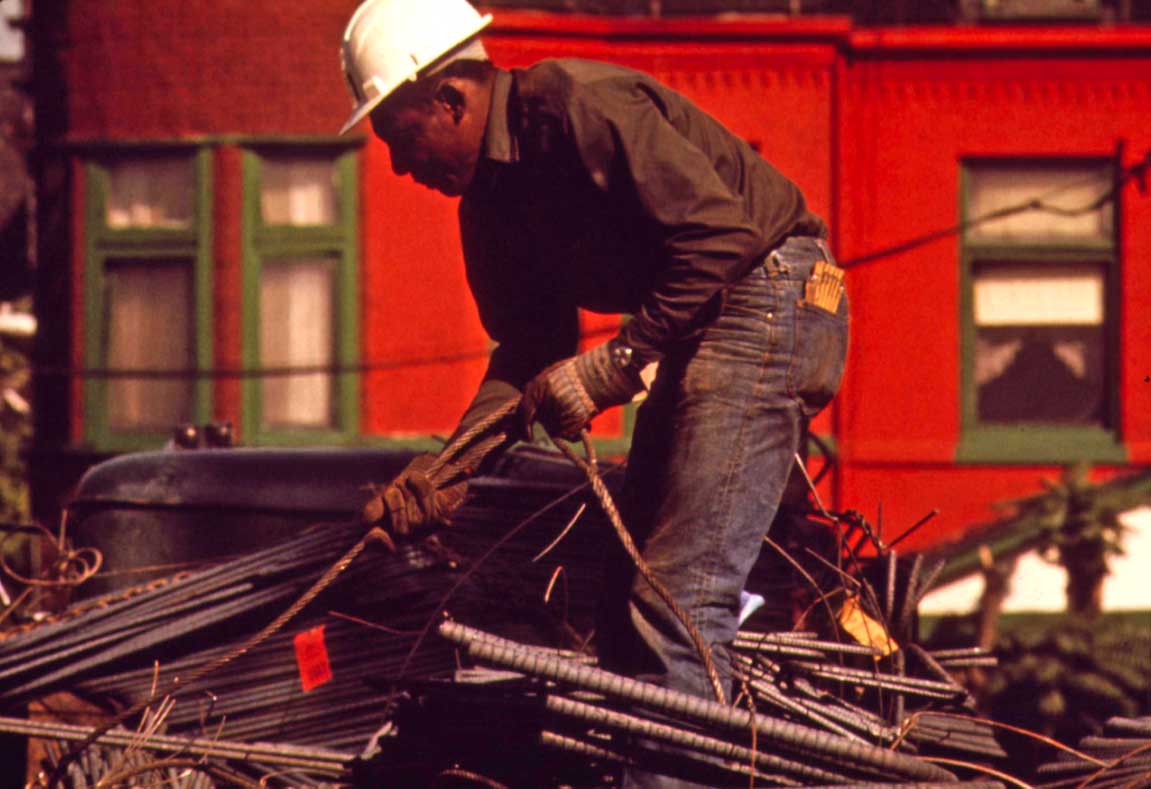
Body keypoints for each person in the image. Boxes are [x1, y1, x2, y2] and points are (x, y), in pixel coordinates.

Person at [341, 1, 849, 785]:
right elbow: (529, 349)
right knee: (626, 605)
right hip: (707, 317)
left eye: (399, 138)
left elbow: (719, 237)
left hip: (772, 288)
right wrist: (446, 472)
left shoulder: (578, 108)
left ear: (449, 99)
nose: (401, 168)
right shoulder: (489, 205)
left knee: (678, 599)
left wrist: (614, 363)